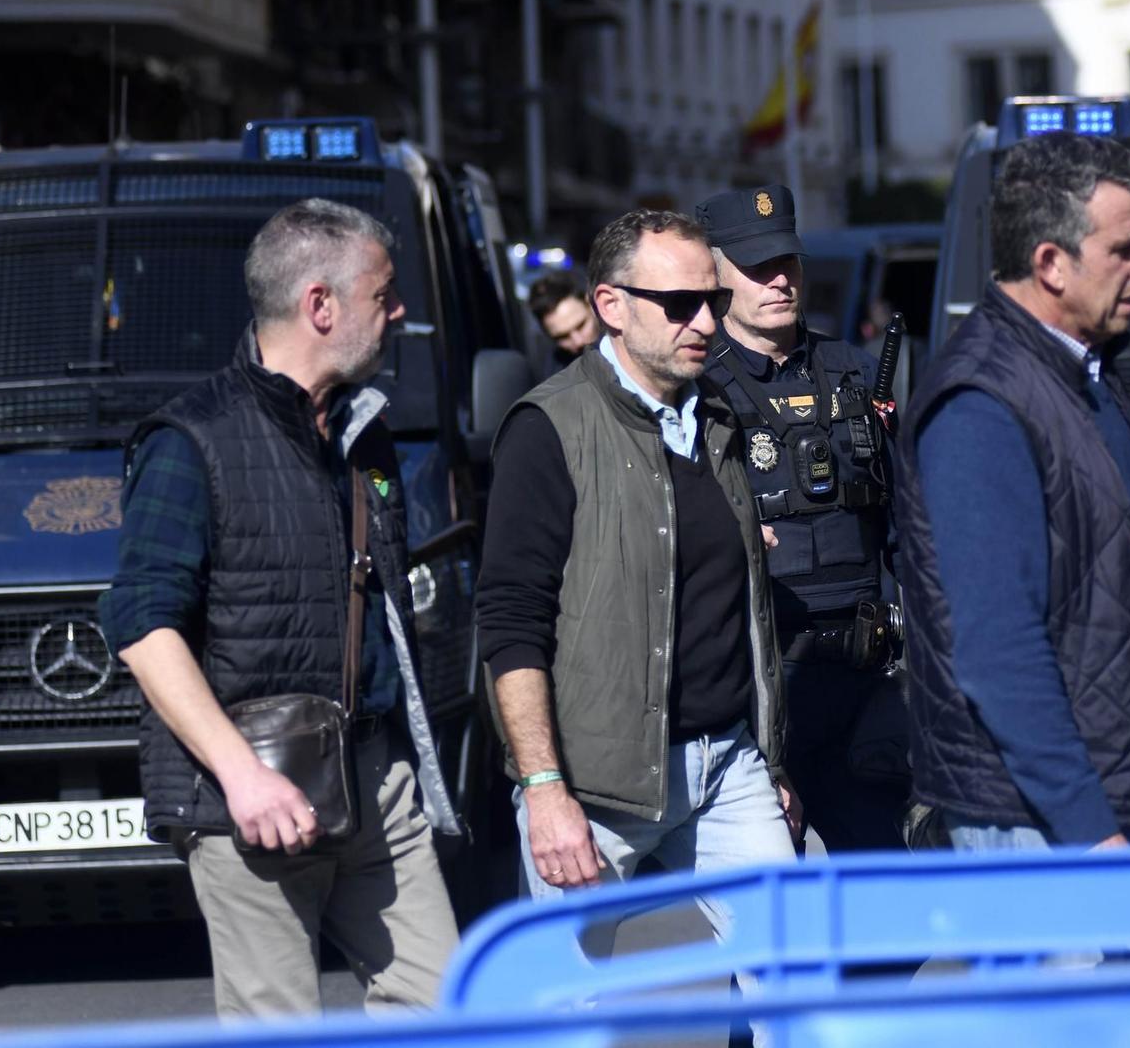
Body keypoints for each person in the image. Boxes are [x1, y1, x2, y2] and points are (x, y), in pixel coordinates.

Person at [97, 199, 460, 1018]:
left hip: (374, 776)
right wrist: (241, 777)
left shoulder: (365, 431)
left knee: (450, 1010)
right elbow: (141, 624)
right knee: (279, 1030)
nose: (399, 311)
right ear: (320, 305)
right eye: (385, 293)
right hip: (250, 788)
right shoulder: (190, 440)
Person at [894, 135, 1130, 851]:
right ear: (1050, 263)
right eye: (1125, 250)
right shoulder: (981, 403)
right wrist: (1088, 827)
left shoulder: (1083, 370)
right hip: (1043, 813)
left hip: (1127, 778)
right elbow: (997, 647)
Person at [475, 208, 797, 927]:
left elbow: (741, 603)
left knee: (798, 978)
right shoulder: (548, 427)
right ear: (610, 305)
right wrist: (545, 788)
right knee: (571, 1016)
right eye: (680, 305)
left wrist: (769, 761)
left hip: (728, 768)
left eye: (712, 301)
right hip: (595, 786)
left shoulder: (717, 418)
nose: (707, 325)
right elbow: (509, 622)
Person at [694, 184, 904, 852]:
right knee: (763, 915)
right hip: (759, 687)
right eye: (757, 267)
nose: (779, 280)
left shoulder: (856, 375)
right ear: (716, 274)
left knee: (891, 901)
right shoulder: (698, 391)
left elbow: (908, 528)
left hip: (863, 678)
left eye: (787, 261)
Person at [525, 272, 601, 363]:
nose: (578, 342)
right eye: (563, 337)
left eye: (581, 326)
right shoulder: (554, 369)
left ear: (591, 306)